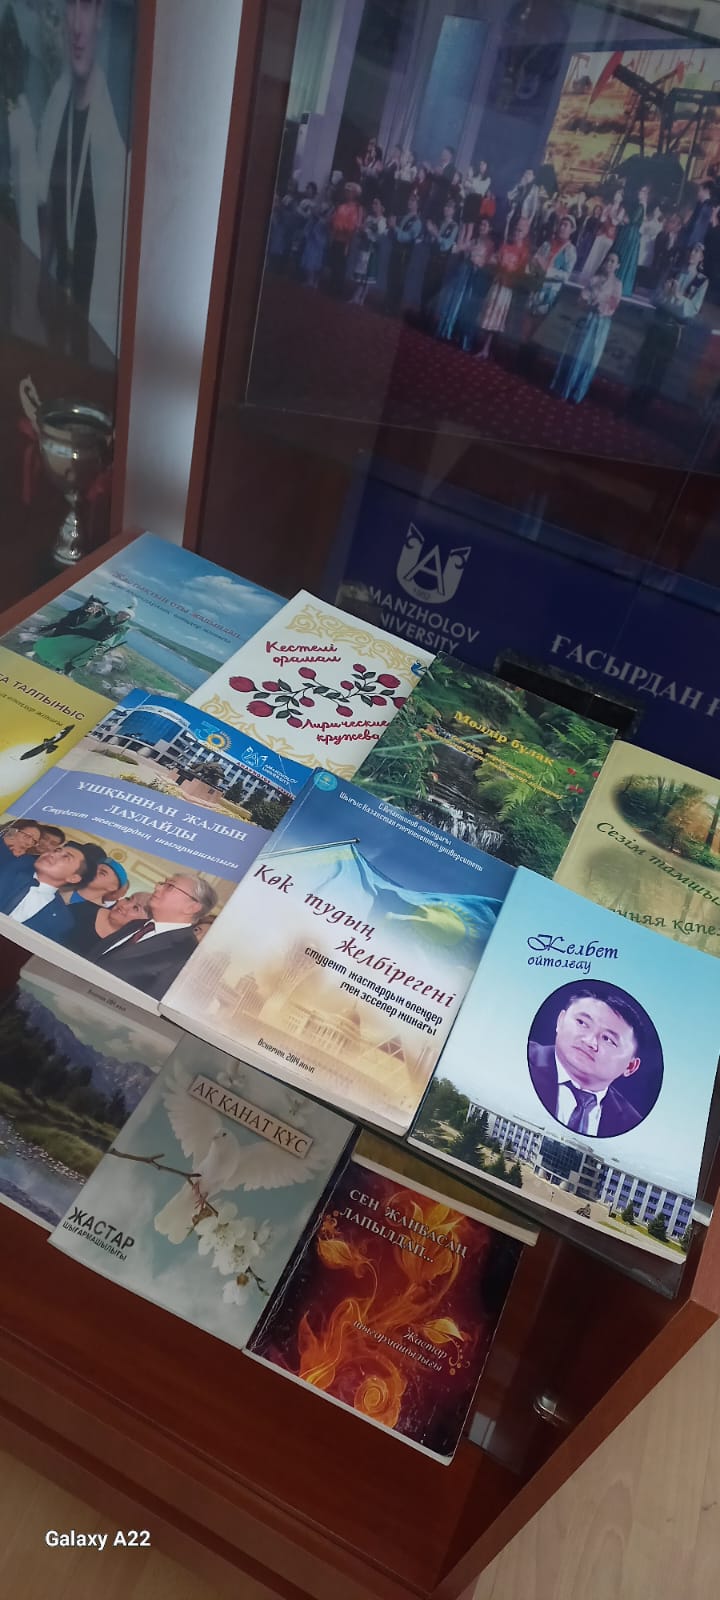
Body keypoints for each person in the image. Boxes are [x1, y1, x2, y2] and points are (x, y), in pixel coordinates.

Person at [37, 0, 127, 354]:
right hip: (56, 321)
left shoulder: (114, 135)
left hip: (95, 332)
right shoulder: (54, 108)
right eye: (70, 7)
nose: (76, 26)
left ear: (101, 16)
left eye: (86, 7)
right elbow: (47, 211)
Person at [528, 985, 647, 1137]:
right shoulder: (519, 1056)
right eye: (582, 1023)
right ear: (560, 1021)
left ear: (630, 1066)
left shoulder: (630, 1123)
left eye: (608, 1039)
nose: (590, 1041)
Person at [92, 873, 218, 999]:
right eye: (163, 883)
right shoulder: (136, 925)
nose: (157, 887)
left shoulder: (186, 956)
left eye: (169, 886)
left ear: (191, 907)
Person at [628, 244, 709, 419]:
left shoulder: (701, 281)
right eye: (691, 250)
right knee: (645, 360)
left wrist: (676, 297)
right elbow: (655, 297)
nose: (692, 253)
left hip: (673, 328)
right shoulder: (673, 271)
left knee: (660, 366)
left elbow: (691, 310)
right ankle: (633, 397)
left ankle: (645, 404)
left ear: (701, 257)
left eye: (696, 252)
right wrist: (670, 300)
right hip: (658, 322)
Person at [551, 250, 622, 404]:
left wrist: (601, 307)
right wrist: (588, 303)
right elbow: (581, 298)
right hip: (586, 318)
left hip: (600, 323)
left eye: (613, 261)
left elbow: (613, 305)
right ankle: (563, 389)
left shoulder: (617, 284)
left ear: (617, 266)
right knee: (575, 352)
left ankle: (577, 392)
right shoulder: (594, 279)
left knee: (590, 357)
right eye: (608, 260)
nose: (609, 263)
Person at [0, 840, 105, 942]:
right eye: (56, 850)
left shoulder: (62, 921)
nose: (53, 854)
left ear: (73, 878)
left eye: (66, 857)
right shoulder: (12, 864)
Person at [477, 217, 531, 359]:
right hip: (497, 285)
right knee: (488, 315)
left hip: (507, 289)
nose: (517, 233)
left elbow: (522, 272)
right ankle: (483, 347)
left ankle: (488, 348)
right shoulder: (506, 246)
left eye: (520, 230)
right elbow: (494, 259)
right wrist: (496, 263)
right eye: (516, 230)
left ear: (526, 232)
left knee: (498, 319)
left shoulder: (524, 252)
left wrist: (511, 273)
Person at [33, 601, 135, 676]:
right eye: (122, 613)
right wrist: (78, 629)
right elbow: (92, 623)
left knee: (85, 658)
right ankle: (48, 650)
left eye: (126, 615)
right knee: (67, 644)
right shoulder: (106, 618)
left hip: (100, 643)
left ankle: (68, 668)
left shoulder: (123, 628)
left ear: (128, 618)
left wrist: (107, 646)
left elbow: (116, 639)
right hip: (90, 635)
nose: (123, 616)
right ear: (119, 613)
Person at [523, 217, 577, 342]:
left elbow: (566, 275)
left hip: (550, 293)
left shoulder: (570, 250)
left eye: (566, 225)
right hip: (536, 288)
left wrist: (548, 270)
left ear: (571, 230)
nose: (562, 227)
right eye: (561, 224)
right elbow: (535, 261)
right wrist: (533, 267)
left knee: (538, 331)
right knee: (526, 325)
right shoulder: (547, 244)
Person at [65, 887, 150, 957]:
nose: (124, 905)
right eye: (128, 899)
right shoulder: (84, 909)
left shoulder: (130, 946)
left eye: (136, 908)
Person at [580, 190, 625, 282]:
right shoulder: (609, 206)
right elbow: (602, 219)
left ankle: (598, 278)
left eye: (619, 195)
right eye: (616, 194)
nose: (616, 197)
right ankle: (586, 275)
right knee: (594, 255)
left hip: (610, 236)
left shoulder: (621, 210)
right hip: (601, 234)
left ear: (621, 198)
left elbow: (615, 222)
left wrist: (611, 213)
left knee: (603, 257)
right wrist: (606, 212)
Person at [327, 182, 363, 296]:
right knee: (334, 263)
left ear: (355, 194)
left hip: (346, 241)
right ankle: (331, 286)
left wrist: (341, 228)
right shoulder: (341, 206)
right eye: (346, 191)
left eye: (350, 191)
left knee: (341, 266)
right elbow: (333, 220)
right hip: (336, 238)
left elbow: (353, 226)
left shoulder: (356, 208)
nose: (347, 193)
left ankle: (337, 289)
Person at [615, 185, 649, 297]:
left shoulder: (641, 206)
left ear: (646, 194)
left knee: (624, 254)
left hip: (630, 233)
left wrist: (625, 217)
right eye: (640, 190)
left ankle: (619, 283)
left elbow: (632, 220)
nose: (639, 192)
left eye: (642, 191)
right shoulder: (640, 205)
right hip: (630, 232)